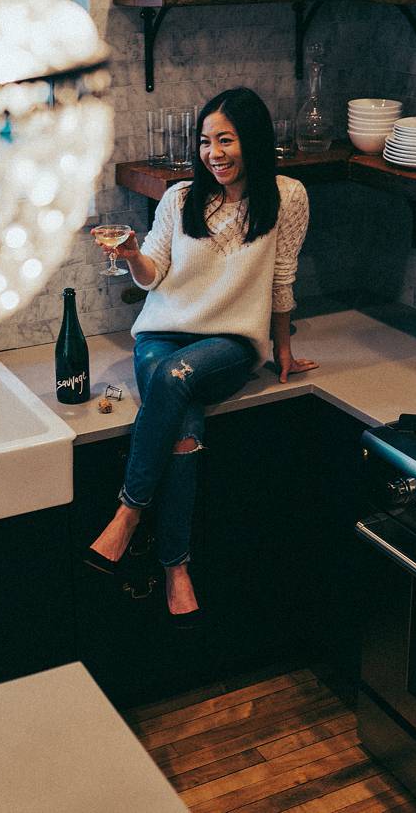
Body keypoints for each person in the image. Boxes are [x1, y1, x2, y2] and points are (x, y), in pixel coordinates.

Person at [84, 87, 317, 627]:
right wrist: (131, 255)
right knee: (182, 420)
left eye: (226, 140)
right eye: (206, 141)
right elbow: (153, 276)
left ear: (252, 141)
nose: (214, 153)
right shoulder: (179, 198)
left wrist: (282, 348)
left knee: (173, 380)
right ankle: (175, 567)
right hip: (161, 336)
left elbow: (282, 278)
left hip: (231, 343)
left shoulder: (288, 196)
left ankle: (127, 513)